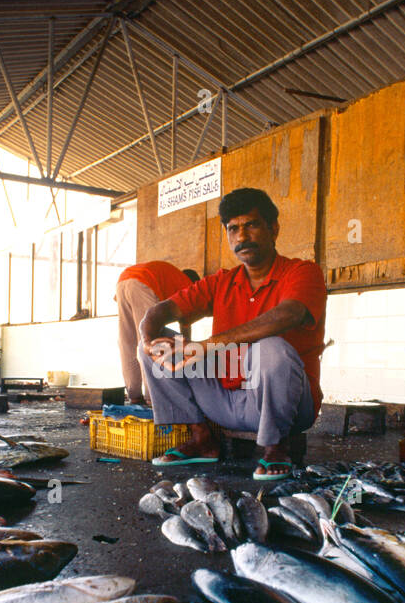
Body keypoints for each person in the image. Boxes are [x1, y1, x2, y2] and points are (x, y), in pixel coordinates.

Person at [138, 188, 326, 480]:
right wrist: (147, 337)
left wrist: (204, 346)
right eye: (233, 229)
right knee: (155, 348)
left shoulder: (303, 272)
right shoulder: (222, 281)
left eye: (251, 225)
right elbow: (161, 311)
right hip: (225, 401)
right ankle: (201, 438)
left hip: (288, 406)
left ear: (273, 228)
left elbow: (287, 315)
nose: (242, 236)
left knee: (271, 347)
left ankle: (276, 447)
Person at [115, 261, 200, 405]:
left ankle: (134, 395)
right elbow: (186, 323)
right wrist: (188, 347)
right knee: (152, 342)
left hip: (123, 281)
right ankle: (152, 398)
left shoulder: (168, 276)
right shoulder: (189, 285)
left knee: (127, 343)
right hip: (143, 284)